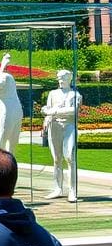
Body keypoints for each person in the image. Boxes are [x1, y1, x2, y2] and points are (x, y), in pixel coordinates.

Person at [41, 69, 83, 202]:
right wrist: (46, 121)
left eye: (63, 78)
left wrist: (54, 111)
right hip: (55, 127)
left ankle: (72, 191)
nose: (60, 81)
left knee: (70, 157)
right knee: (56, 159)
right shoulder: (52, 94)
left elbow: (73, 111)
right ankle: (58, 188)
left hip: (69, 127)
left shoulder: (75, 94)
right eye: (59, 78)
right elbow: (46, 110)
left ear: (69, 79)